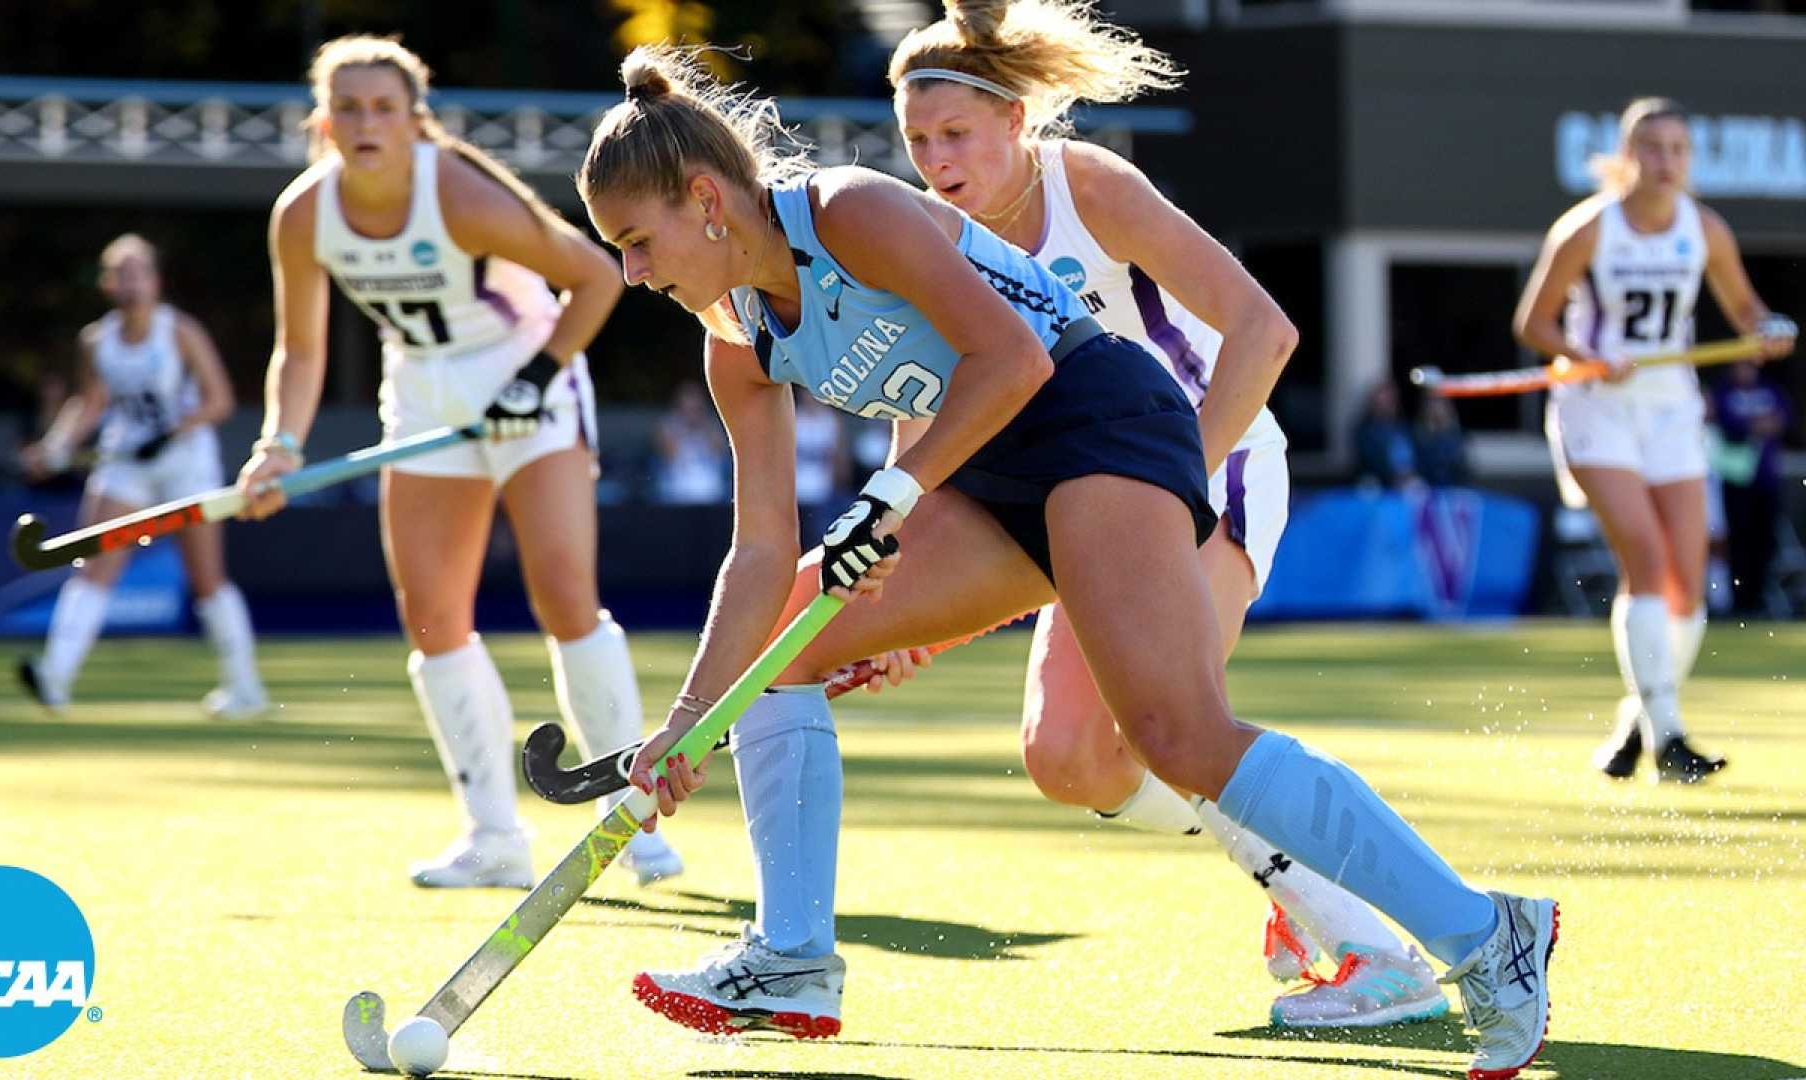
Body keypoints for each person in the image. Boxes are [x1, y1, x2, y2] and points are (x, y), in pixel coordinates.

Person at [581, 39, 1558, 1080]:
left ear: (705, 199)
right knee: (782, 640)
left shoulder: (850, 213)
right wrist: (687, 722)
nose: (634, 275)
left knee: (1177, 732)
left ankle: (1485, 935)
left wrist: (894, 496)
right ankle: (792, 962)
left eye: (637, 242)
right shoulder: (736, 341)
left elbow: (1015, 357)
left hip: (1099, 420)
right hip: (991, 472)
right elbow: (760, 547)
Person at [857, 0, 1440, 1027]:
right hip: (1080, 497)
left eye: (956, 135)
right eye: (917, 141)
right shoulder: (920, 236)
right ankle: (1301, 880)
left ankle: (1382, 951)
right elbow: (927, 428)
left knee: (1174, 728)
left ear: (1016, 123)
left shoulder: (1086, 187)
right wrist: (899, 602)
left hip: (1213, 462)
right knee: (1070, 760)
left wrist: (1180, 486)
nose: (937, 160)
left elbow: (1265, 331)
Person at [235, 34, 682, 889]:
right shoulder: (302, 214)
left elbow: (593, 277)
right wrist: (276, 447)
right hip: (425, 397)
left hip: (525, 381)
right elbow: (299, 350)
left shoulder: (460, 194)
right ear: (324, 123)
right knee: (433, 616)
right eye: (350, 109)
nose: (367, 124)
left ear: (414, 121)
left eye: (384, 108)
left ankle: (629, 821)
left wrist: (533, 382)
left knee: (564, 596)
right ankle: (492, 837)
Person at [1513, 96, 1796, 783]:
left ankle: (1637, 723)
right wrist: (1586, 353)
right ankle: (1670, 737)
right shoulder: (1587, 229)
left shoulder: (1704, 229)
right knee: (1644, 556)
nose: (1666, 163)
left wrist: (1770, 325)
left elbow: (1745, 308)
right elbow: (1534, 324)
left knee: (1688, 584)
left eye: (1678, 150)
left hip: (1670, 410)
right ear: (1627, 155)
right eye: (1652, 148)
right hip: (1597, 409)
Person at [18, 234, 268, 720]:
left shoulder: (180, 332)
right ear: (109, 284)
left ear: (155, 281)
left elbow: (220, 400)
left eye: (140, 273)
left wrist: (175, 430)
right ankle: (55, 675)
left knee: (207, 579)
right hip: (126, 463)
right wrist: (55, 447)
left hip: (187, 463)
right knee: (93, 567)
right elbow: (90, 403)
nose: (132, 284)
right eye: (122, 274)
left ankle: (244, 686)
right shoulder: (97, 340)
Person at [1713, 361, 1792, 614]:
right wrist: (1753, 426)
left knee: (1765, 540)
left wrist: (1754, 425)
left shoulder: (1770, 389)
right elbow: (1728, 425)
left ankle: (1759, 598)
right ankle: (1740, 600)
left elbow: (1784, 419)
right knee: (1739, 540)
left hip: (1766, 478)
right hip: (1735, 478)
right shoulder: (1724, 391)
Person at [652, 382, 729, 504]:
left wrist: (702, 427)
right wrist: (685, 429)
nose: (691, 409)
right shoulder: (668, 426)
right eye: (688, 403)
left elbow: (720, 451)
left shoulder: (711, 425)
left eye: (695, 405)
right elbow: (666, 454)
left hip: (710, 494)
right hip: (676, 493)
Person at [1354, 381, 1420, 488]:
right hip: (1378, 485)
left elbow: (1417, 455)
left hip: (1408, 483)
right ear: (1374, 403)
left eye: (1391, 400)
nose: (1387, 405)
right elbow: (1370, 461)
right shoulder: (1364, 431)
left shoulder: (1405, 427)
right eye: (1383, 401)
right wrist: (1394, 477)